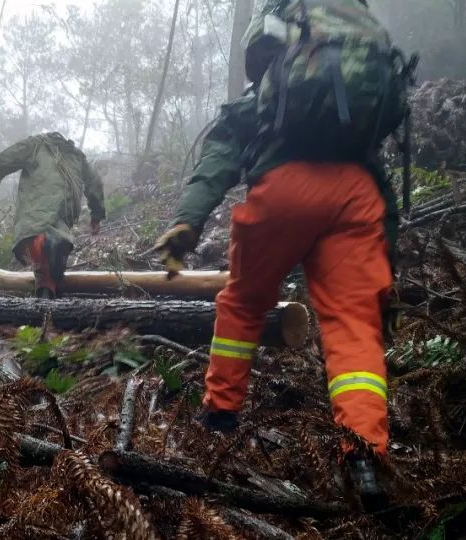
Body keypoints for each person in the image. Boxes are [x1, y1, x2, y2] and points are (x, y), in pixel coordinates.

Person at [152, 0, 409, 510]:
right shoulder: (354, 103)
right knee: (354, 326)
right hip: (359, 196)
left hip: (285, 189)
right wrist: (390, 268)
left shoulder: (266, 94)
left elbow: (222, 151)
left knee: (245, 302)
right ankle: (364, 454)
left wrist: (188, 220)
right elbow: (382, 177)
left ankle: (221, 416)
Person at [0, 132, 105, 298]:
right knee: (51, 249)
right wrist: (96, 215)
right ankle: (48, 290)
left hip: (36, 221)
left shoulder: (38, 146)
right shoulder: (73, 155)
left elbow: (2, 160)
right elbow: (95, 184)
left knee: (47, 251)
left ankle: (47, 291)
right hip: (48, 223)